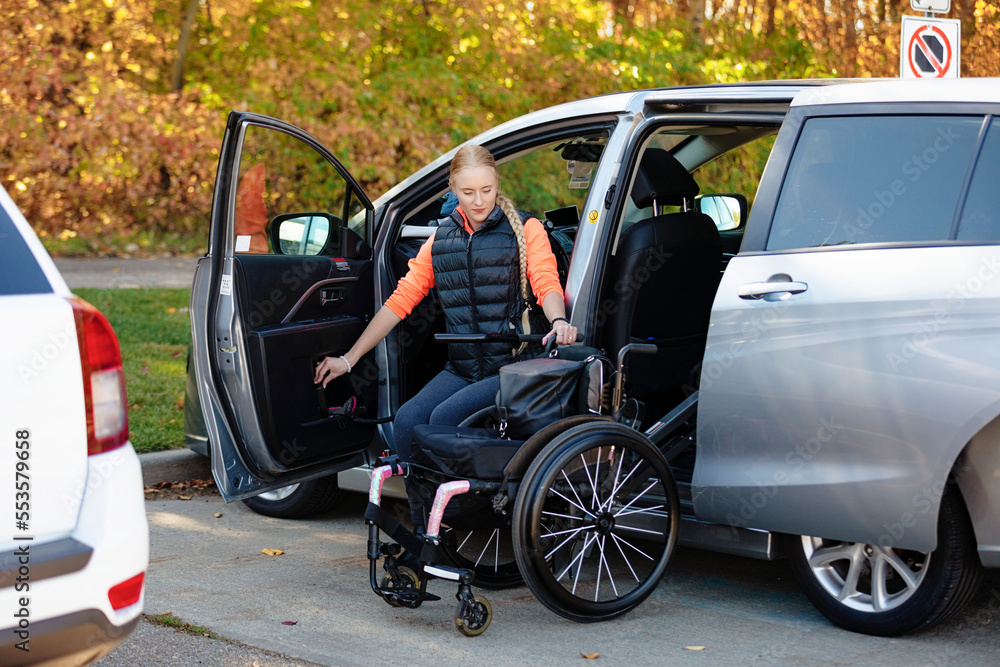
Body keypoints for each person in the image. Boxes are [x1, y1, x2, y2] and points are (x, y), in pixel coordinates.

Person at [313, 144, 577, 526]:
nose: (479, 201)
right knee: (407, 421)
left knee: (440, 418)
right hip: (464, 366)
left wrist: (557, 321)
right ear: (453, 187)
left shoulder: (525, 229)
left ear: (496, 183)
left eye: (486, 190)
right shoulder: (442, 240)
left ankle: (459, 517)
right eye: (468, 192)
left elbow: (546, 282)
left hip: (512, 367)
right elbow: (398, 303)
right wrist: (349, 359)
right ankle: (424, 524)